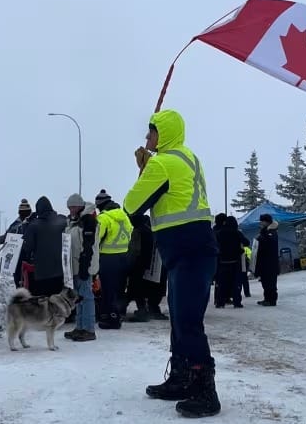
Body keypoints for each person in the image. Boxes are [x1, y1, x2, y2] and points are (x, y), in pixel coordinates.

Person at [124, 109, 220, 418]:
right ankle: (182, 377)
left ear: (162, 133)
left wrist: (144, 169)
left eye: (150, 132)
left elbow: (132, 206)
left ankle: (206, 390)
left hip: (188, 251)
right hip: (191, 249)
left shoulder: (163, 163)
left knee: (187, 320)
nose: (147, 138)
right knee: (179, 317)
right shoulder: (188, 157)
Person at [63, 194, 100, 341]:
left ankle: (89, 329)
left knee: (86, 296)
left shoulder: (88, 221)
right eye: (69, 207)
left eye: (73, 207)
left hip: (84, 264)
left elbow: (88, 245)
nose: (71, 210)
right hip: (74, 265)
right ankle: (79, 327)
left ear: (80, 206)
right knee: (78, 298)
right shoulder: (73, 221)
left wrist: (85, 265)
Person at [95, 189, 132, 329]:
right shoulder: (123, 215)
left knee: (108, 289)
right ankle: (118, 313)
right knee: (119, 288)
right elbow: (130, 231)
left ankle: (110, 318)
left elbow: (96, 238)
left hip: (108, 257)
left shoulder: (103, 218)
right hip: (124, 256)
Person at [20, 196, 67, 296]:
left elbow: (27, 247)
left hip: (41, 273)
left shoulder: (34, 226)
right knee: (56, 303)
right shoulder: (62, 222)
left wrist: (26, 227)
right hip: (60, 272)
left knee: (42, 303)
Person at [0, 199, 34, 288]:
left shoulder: (33, 223)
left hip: (30, 257)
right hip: (17, 258)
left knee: (29, 280)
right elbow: (7, 237)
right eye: (22, 212)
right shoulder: (16, 225)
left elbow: (6, 237)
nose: (23, 214)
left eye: (25, 212)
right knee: (19, 279)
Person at [125, 213, 155, 322]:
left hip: (137, 263)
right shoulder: (147, 230)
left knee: (135, 287)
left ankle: (140, 311)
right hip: (145, 263)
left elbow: (134, 250)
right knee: (137, 287)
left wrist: (128, 263)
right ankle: (141, 310)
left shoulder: (137, 231)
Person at [214, 216, 245, 308]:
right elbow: (246, 242)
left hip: (222, 262)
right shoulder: (237, 233)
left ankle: (220, 302)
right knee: (236, 283)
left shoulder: (219, 233)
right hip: (235, 261)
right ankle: (237, 302)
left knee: (222, 283)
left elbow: (215, 244)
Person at [254, 214, 280, 307]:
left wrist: (262, 239)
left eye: (262, 221)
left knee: (270, 282)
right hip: (264, 261)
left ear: (267, 221)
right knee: (265, 281)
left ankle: (272, 300)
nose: (261, 223)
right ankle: (267, 298)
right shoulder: (264, 231)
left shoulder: (272, 231)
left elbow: (270, 243)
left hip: (270, 261)